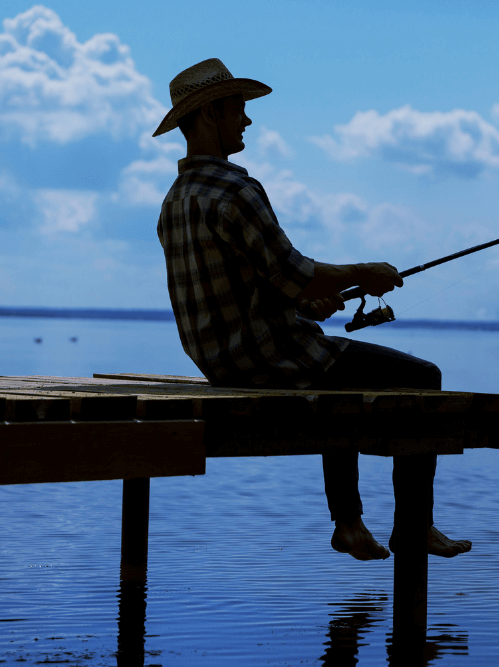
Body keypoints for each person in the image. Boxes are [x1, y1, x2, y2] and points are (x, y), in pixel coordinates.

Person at [153, 58, 470, 561]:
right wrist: (363, 272)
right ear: (211, 114)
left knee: (333, 377)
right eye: (238, 110)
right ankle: (413, 527)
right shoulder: (235, 190)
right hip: (269, 356)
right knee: (424, 378)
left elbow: (260, 283)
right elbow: (295, 268)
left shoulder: (174, 202)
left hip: (218, 362)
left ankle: (349, 523)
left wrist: (304, 301)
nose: (248, 121)